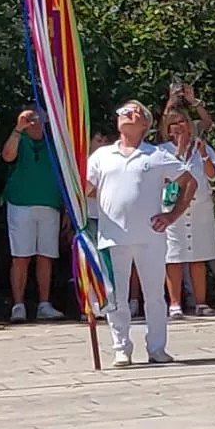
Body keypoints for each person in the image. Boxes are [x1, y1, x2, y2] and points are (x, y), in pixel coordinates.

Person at [86, 101, 195, 366]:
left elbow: (189, 181)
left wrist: (172, 215)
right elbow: (87, 189)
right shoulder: (101, 156)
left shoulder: (155, 155)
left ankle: (156, 348)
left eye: (134, 113)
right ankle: (121, 347)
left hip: (150, 236)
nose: (127, 115)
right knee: (116, 296)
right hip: (111, 237)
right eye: (123, 112)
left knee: (155, 295)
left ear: (145, 124)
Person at [0, 108, 65, 322]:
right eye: (30, 119)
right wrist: (19, 128)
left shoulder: (54, 141)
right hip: (21, 203)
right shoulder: (20, 138)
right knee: (21, 255)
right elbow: (7, 156)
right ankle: (18, 305)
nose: (35, 123)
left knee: (46, 255)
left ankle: (44, 304)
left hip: (50, 203)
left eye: (39, 119)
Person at [160, 107, 215, 318]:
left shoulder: (202, 147)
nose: (179, 127)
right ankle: (175, 303)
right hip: (173, 210)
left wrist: (203, 155)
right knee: (174, 257)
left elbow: (213, 176)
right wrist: (179, 150)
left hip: (199, 208)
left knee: (198, 256)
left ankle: (201, 302)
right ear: (168, 130)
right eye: (173, 124)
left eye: (182, 122)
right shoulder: (161, 151)